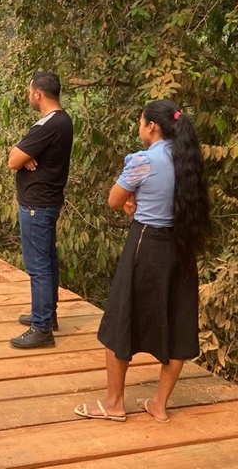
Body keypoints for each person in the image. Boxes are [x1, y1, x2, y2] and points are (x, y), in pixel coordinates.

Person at [75, 99, 210, 423]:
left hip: (145, 245)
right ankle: (160, 404)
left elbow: (114, 199)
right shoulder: (189, 160)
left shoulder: (142, 161)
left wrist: (130, 202)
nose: (139, 129)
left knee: (120, 320)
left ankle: (114, 403)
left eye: (140, 122)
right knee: (177, 324)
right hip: (181, 248)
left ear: (152, 126)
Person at [7, 71, 74, 349]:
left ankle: (42, 328)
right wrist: (27, 156)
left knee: (38, 266)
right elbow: (22, 156)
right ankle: (46, 315)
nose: (28, 95)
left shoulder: (47, 125)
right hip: (47, 201)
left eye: (28, 90)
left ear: (38, 93)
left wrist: (24, 156)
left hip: (37, 204)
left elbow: (13, 159)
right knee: (47, 260)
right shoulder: (63, 121)